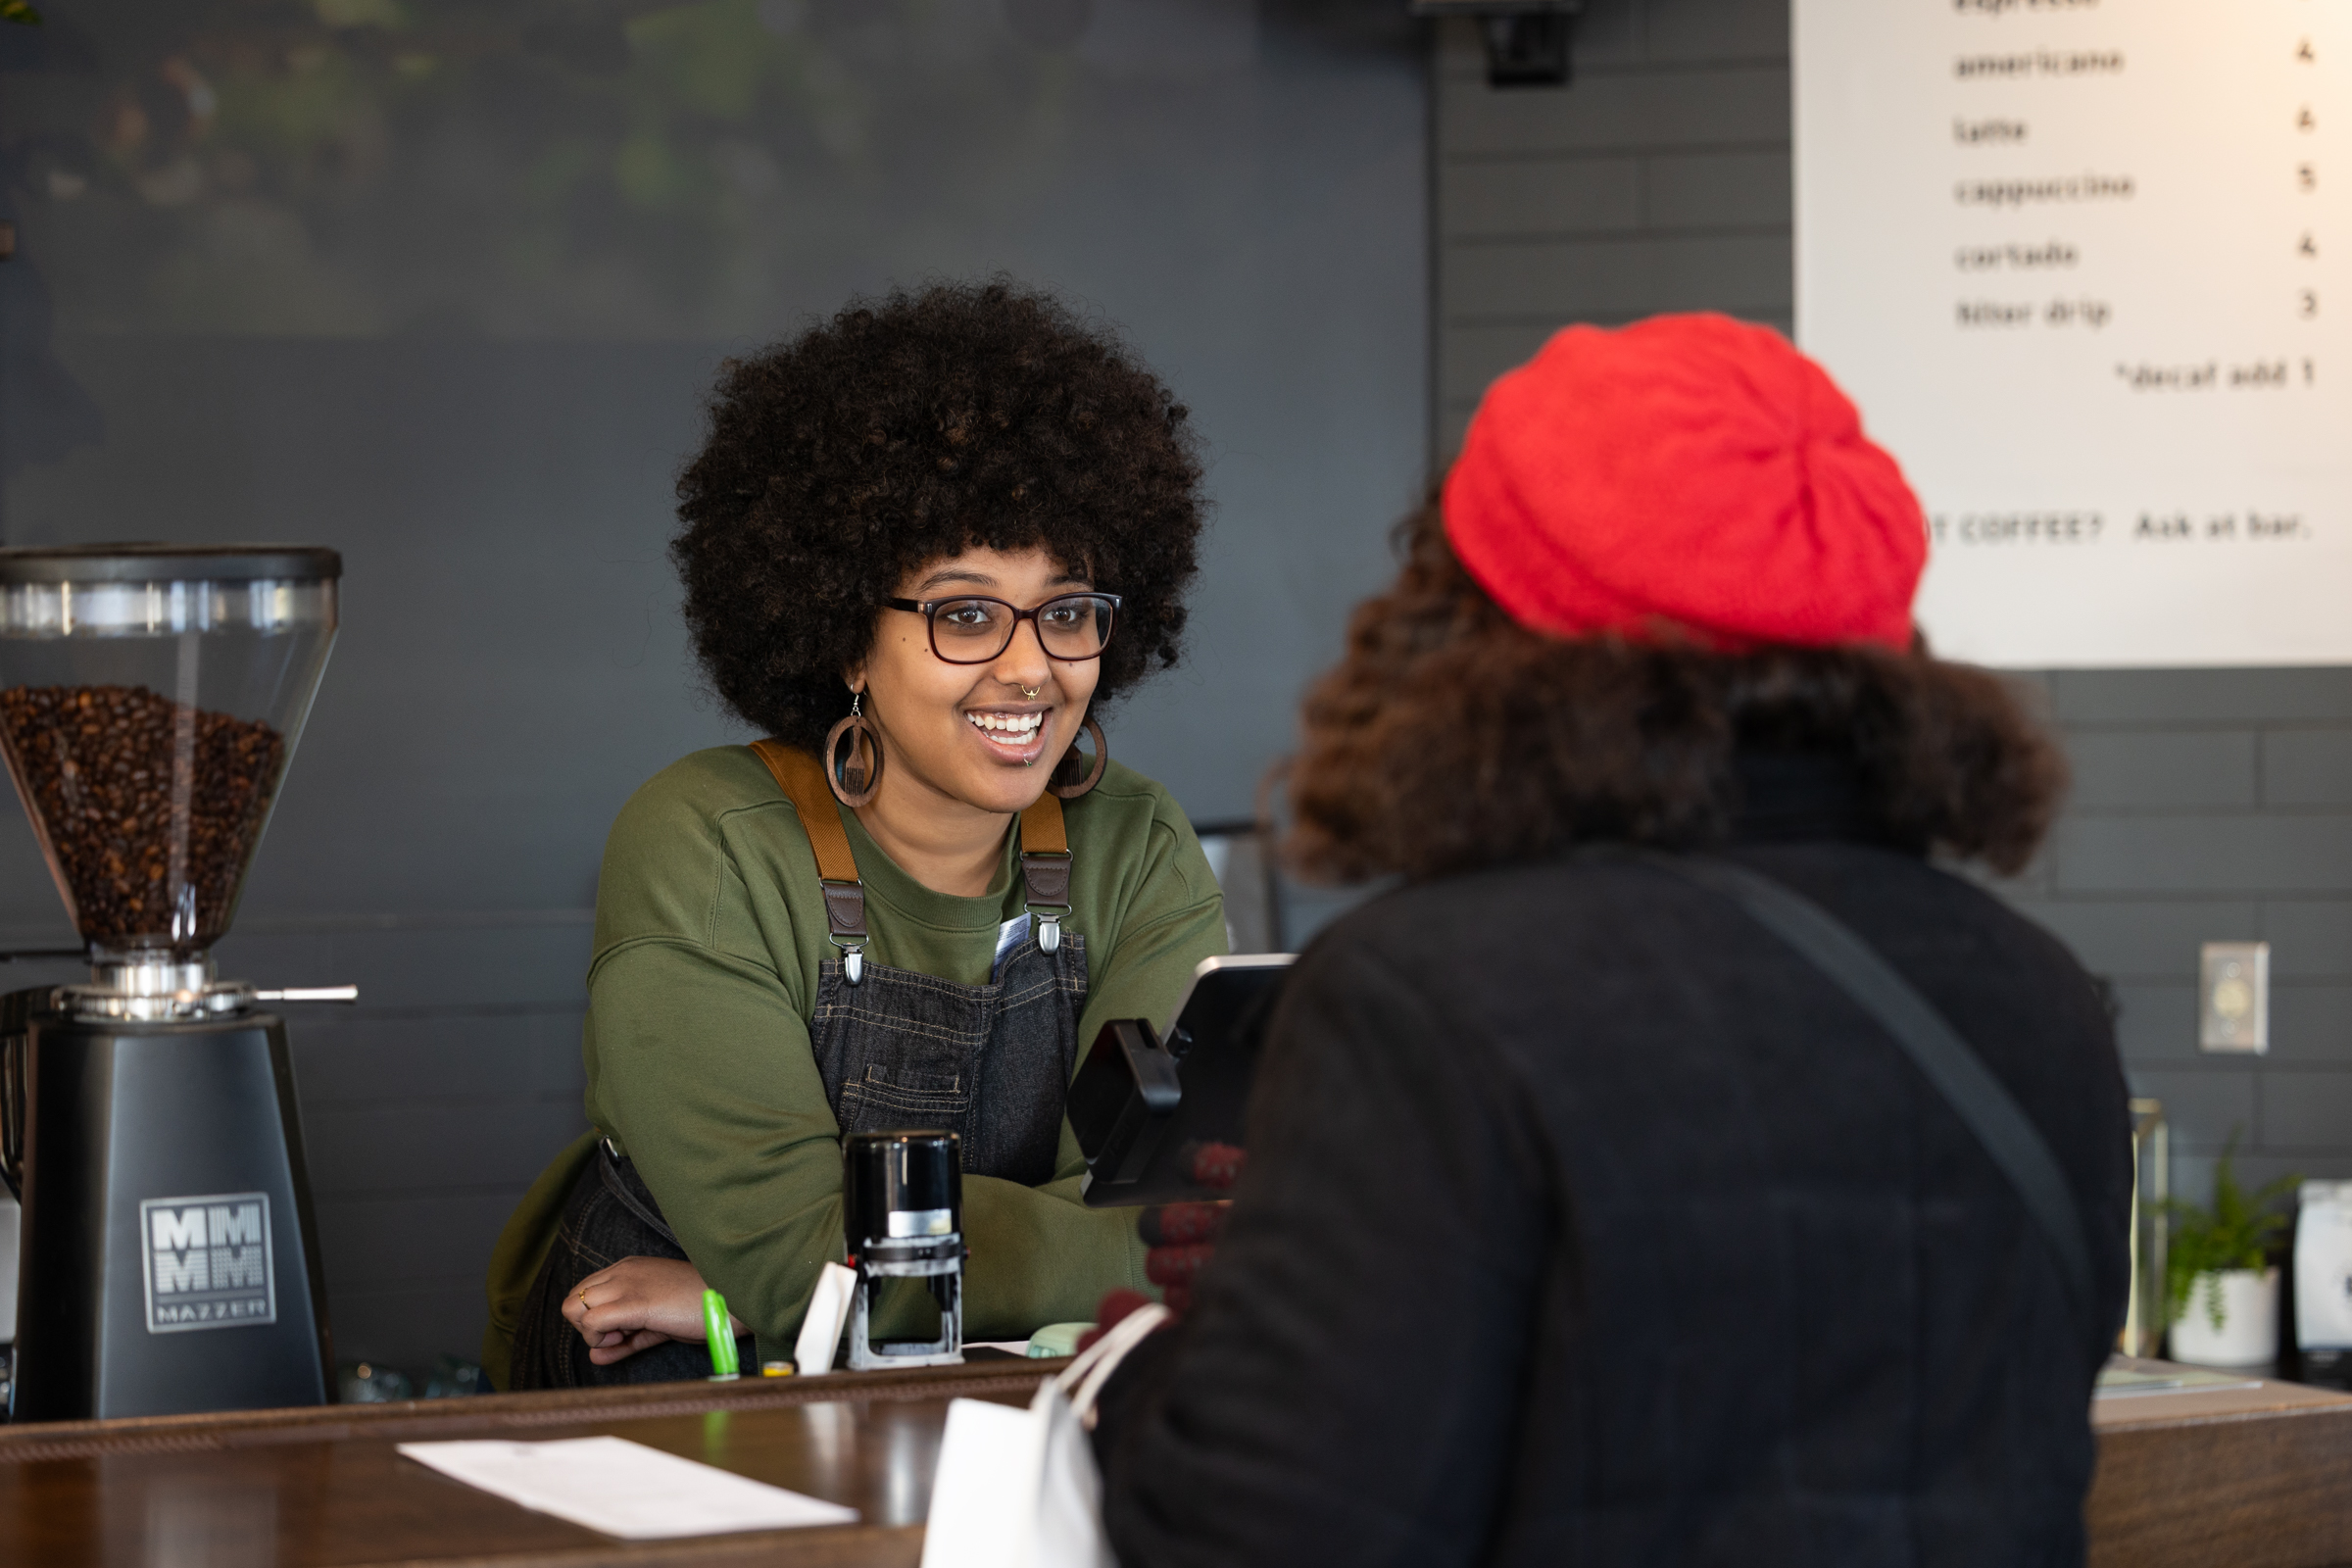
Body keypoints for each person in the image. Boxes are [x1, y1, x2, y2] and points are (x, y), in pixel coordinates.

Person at [1088, 314, 2132, 1563]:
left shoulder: (1430, 993)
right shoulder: (2038, 997)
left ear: (1476, 635)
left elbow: (1262, 1536)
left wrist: (1146, 1378)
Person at [481, 280, 1228, 1389]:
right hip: (683, 1379)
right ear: (844, 638)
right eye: (963, 613)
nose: (1030, 666)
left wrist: (780, 1285)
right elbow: (792, 1256)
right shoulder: (707, 842)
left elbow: (1174, 1235)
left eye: (1066, 610)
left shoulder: (1140, 844)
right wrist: (785, 1287)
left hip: (870, 1344)